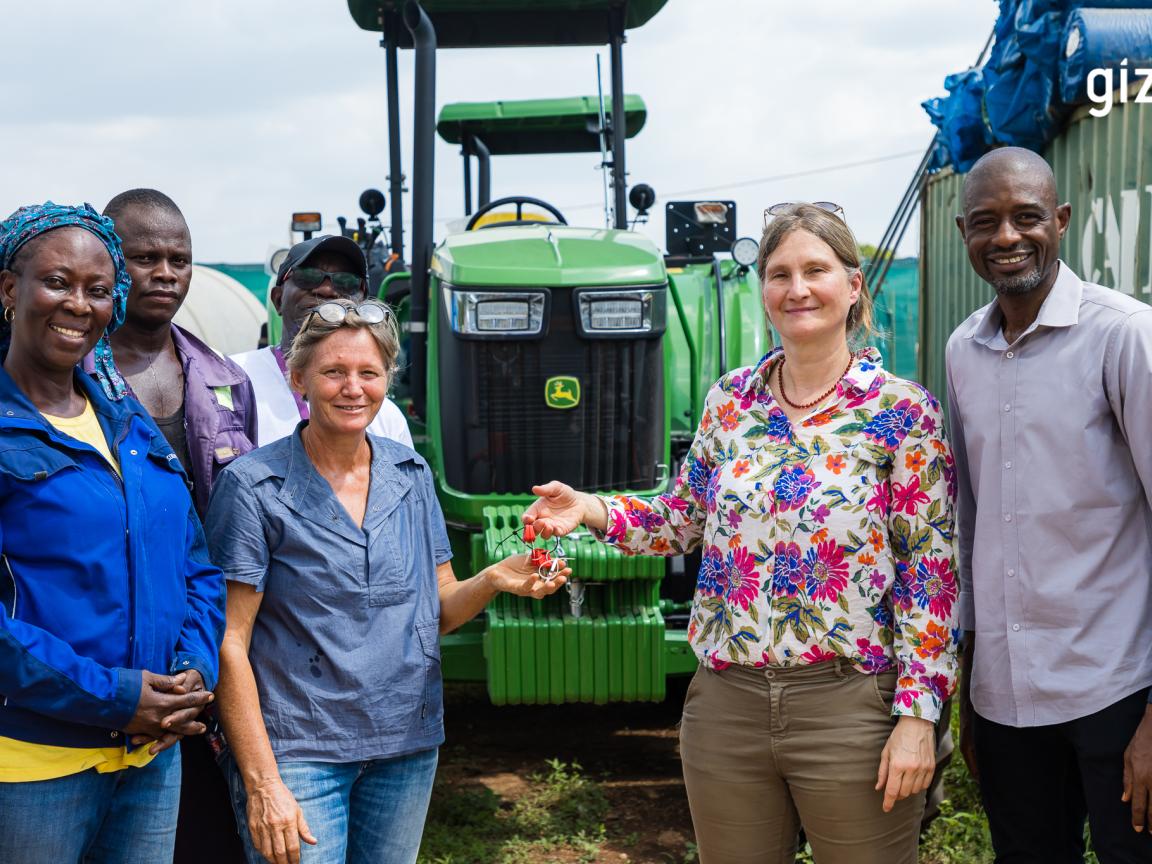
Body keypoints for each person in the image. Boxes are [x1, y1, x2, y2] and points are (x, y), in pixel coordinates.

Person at [525, 202, 959, 864]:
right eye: (779, 273)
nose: (797, 288)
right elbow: (678, 520)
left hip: (849, 706)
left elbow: (930, 576)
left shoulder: (900, 412)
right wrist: (587, 508)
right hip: (727, 706)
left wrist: (918, 718)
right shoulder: (731, 401)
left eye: (816, 269)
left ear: (853, 286)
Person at [205, 297, 567, 864]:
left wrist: (495, 578)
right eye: (333, 372)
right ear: (299, 379)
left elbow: (439, 607)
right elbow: (230, 641)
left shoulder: (410, 472)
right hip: (300, 751)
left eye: (369, 373)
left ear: (386, 381)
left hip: (405, 745)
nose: (353, 388)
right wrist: (263, 782)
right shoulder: (254, 486)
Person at [0, 202, 224, 862]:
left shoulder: (128, 425)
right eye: (57, 282)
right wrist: (115, 697)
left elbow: (195, 565)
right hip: (34, 768)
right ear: (9, 290)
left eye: (98, 289)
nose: (79, 304)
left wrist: (190, 673)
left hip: (151, 760)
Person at [947, 146, 1152, 863]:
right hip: (1007, 699)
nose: (1006, 238)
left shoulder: (1123, 335)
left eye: (1026, 217)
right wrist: (973, 687)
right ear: (966, 235)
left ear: (1060, 221)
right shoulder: (962, 352)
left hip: (1119, 690)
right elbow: (970, 526)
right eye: (986, 222)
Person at [92, 188, 255, 863]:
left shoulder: (222, 378)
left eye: (179, 260)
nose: (165, 273)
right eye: (145, 257)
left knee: (208, 821)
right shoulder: (67, 374)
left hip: (209, 632)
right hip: (109, 635)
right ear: (110, 262)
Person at [232, 235, 411, 448]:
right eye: (308, 277)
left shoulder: (386, 418)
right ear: (278, 299)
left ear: (361, 303)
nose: (326, 290)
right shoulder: (234, 378)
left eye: (346, 281)